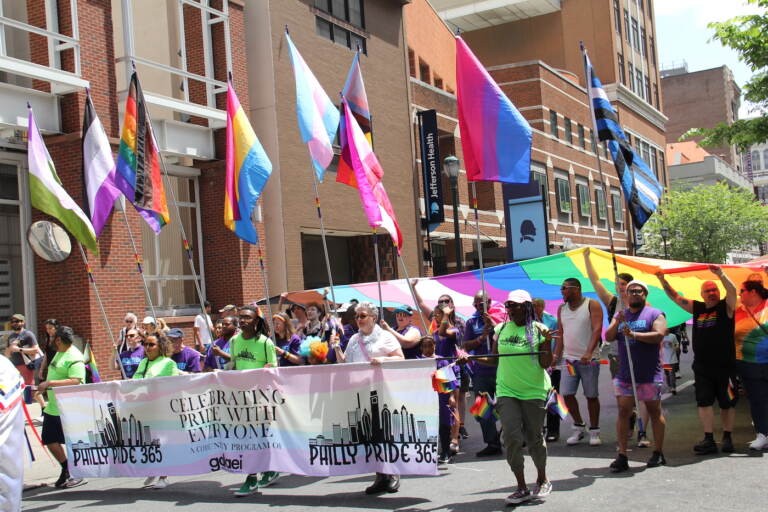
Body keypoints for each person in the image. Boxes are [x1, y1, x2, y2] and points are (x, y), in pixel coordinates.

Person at [467, 290, 553, 505]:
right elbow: (495, 359)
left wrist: (547, 342)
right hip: (507, 391)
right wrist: (471, 358)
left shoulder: (539, 329)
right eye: (509, 305)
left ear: (527, 307)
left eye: (515, 305)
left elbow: (545, 363)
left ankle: (542, 479)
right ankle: (521, 486)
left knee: (533, 438)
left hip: (534, 390)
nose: (511, 309)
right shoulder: (501, 328)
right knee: (512, 438)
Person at [656, 266, 737, 454]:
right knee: (704, 402)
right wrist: (662, 279)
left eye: (714, 290)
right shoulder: (697, 308)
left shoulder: (727, 307)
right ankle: (708, 438)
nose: (711, 293)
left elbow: (732, 290)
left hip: (725, 367)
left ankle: (727, 437)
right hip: (702, 368)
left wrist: (720, 275)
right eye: (707, 291)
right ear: (701, 294)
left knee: (728, 402)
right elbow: (675, 297)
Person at [331, 302, 404, 495]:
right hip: (359, 392)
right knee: (369, 436)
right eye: (356, 317)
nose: (359, 320)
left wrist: (383, 360)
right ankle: (380, 475)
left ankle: (392, 473)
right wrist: (337, 347)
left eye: (362, 316)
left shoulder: (385, 336)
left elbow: (400, 358)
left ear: (373, 317)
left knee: (384, 433)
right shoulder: (354, 338)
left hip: (381, 392)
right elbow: (345, 362)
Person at [605, 280, 668, 472]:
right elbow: (608, 337)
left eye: (638, 291)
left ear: (645, 294)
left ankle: (658, 452)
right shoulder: (621, 314)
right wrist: (617, 321)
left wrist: (633, 334)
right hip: (625, 374)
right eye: (630, 291)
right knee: (624, 411)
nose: (634, 293)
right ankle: (622, 454)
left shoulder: (655, 314)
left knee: (654, 411)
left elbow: (659, 334)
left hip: (649, 373)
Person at [231, 305, 279, 496]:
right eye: (240, 318)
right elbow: (233, 364)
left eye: (247, 318)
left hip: (261, 399)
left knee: (259, 438)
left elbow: (274, 369)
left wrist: (268, 369)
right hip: (241, 398)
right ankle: (259, 474)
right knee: (247, 439)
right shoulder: (235, 341)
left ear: (256, 321)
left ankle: (259, 474)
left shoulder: (265, 343)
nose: (243, 321)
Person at [412, 279, 469, 438]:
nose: (442, 304)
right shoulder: (436, 322)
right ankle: (445, 435)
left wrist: (445, 315)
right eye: (440, 303)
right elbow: (421, 303)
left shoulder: (457, 325)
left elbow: (446, 333)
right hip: (437, 370)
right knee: (440, 406)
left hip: (452, 368)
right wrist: (413, 287)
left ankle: (455, 437)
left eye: (446, 301)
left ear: (452, 304)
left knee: (454, 403)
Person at [555, 278, 604, 446]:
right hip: (569, 360)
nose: (562, 292)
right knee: (567, 394)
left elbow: (597, 329)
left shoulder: (592, 304)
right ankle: (578, 426)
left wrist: (589, 352)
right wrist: (556, 356)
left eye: (564, 288)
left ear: (576, 289)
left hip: (589, 360)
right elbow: (560, 334)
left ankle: (595, 431)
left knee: (591, 395)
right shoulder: (561, 308)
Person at [37, 326, 87, 489]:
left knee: (71, 442)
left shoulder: (74, 356)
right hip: (53, 406)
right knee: (50, 440)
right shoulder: (60, 351)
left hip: (68, 408)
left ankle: (77, 473)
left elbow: (76, 380)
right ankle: (66, 468)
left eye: (53, 338)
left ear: (58, 339)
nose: (51, 340)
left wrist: (50, 383)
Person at [133, 333, 178, 489]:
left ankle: (164, 476)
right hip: (145, 408)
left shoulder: (168, 363)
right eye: (145, 344)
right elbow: (134, 381)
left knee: (162, 443)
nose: (147, 348)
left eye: (151, 345)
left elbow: (173, 385)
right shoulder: (143, 362)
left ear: (161, 347)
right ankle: (153, 469)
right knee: (149, 442)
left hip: (162, 409)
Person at [463, 291, 501, 456]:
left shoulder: (501, 317)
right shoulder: (471, 322)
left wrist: (493, 325)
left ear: (490, 302)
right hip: (481, 371)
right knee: (482, 408)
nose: (480, 307)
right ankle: (492, 442)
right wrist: (481, 338)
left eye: (483, 304)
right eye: (477, 304)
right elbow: (466, 345)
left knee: (508, 405)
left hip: (501, 370)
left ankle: (510, 433)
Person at [733, 280, 768, 450]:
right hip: (748, 363)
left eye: (742, 290)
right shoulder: (738, 309)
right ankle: (762, 434)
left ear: (753, 292)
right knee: (756, 399)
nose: (740, 294)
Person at [3, 313, 45, 410]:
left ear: (23, 322)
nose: (15, 323)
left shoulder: (28, 334)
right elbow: (7, 353)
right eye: (13, 322)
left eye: (17, 321)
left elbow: (36, 349)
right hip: (14, 366)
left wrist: (19, 349)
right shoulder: (11, 336)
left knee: (30, 388)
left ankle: (44, 408)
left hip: (26, 365)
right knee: (16, 388)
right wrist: (10, 348)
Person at [534, 299, 561, 442]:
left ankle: (553, 430)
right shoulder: (528, 322)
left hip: (551, 364)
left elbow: (558, 339)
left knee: (552, 397)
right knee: (536, 398)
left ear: (543, 307)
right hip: (534, 365)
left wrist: (555, 355)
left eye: (537, 306)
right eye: (532, 306)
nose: (535, 308)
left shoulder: (551, 320)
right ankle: (536, 428)